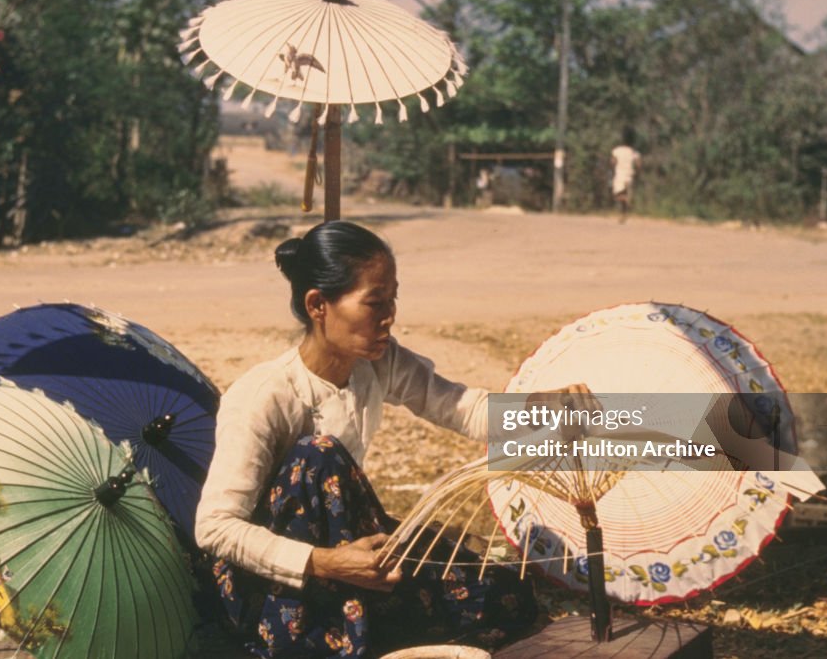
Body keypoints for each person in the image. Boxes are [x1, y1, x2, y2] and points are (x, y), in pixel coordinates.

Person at [196, 221, 586, 657]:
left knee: (503, 595)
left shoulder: (378, 363)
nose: (389, 315)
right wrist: (327, 562)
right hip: (277, 583)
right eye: (375, 302)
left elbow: (460, 407)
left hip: (354, 554)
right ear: (317, 305)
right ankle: (341, 626)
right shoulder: (264, 395)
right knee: (318, 454)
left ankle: (363, 619)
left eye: (393, 297)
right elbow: (215, 528)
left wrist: (540, 409)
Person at [611, 131, 642, 223]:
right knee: (624, 196)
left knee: (617, 195)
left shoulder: (617, 150)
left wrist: (615, 165)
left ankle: (626, 200)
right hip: (630, 175)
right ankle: (623, 215)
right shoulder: (633, 152)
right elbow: (638, 164)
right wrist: (637, 171)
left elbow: (613, 162)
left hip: (620, 174)